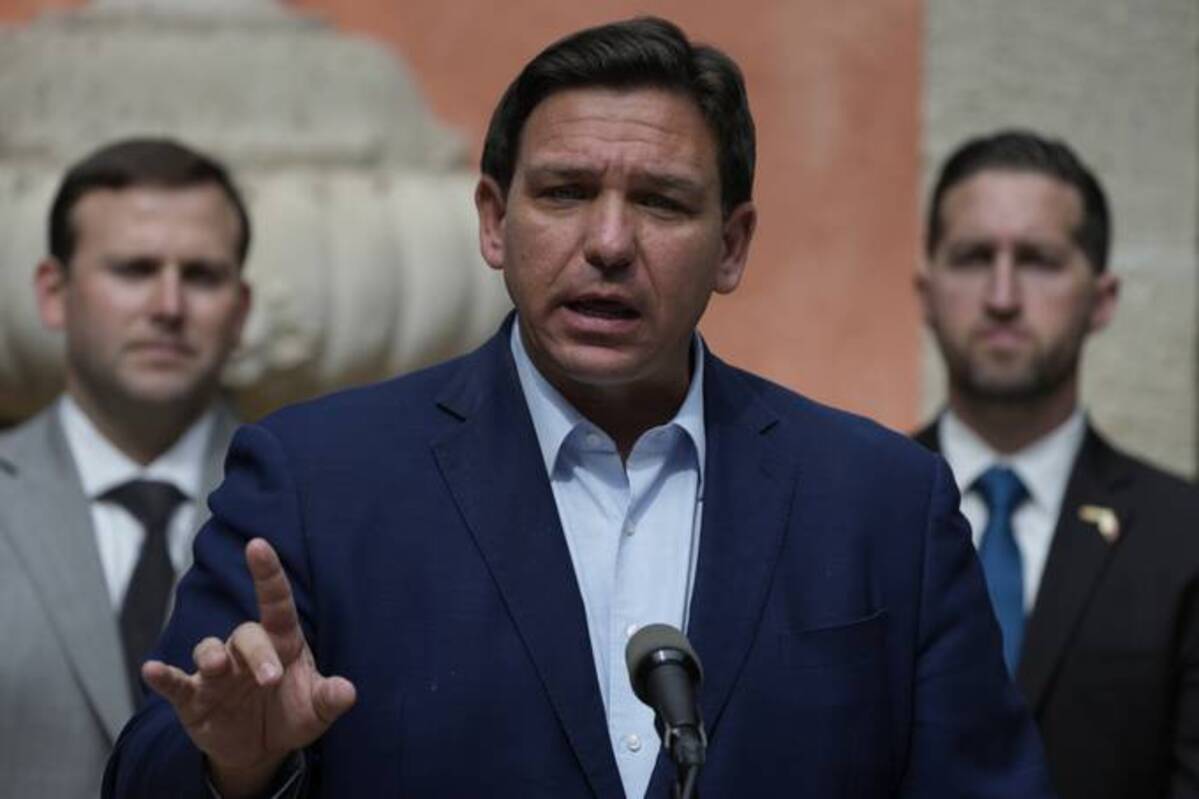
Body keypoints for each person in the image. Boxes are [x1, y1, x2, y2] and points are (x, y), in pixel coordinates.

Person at [105, 19, 1052, 798]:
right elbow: (146, 775)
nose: (607, 242)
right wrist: (240, 763)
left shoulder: (881, 502)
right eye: (563, 193)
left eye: (662, 203)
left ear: (731, 246)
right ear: (492, 221)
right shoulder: (318, 478)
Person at [914, 129, 1199, 799]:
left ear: (1100, 299)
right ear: (925, 292)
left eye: (1039, 259)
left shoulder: (1183, 538)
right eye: (973, 257)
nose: (1002, 295)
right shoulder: (845, 512)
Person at [0, 137, 252, 798]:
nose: (168, 305)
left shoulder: (317, 501)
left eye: (201, 275)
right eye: (134, 269)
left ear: (241, 310)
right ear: (54, 293)